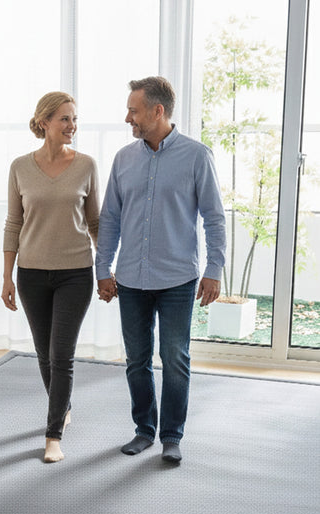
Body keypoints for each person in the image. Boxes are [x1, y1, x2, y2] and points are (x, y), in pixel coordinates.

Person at [96, 76, 226, 463]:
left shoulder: (197, 156)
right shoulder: (123, 159)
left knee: (175, 358)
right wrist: (103, 267)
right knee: (136, 359)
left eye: (133, 111)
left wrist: (214, 268)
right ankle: (143, 430)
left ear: (157, 111)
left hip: (177, 280)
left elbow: (214, 219)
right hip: (132, 279)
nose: (127, 118)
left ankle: (172, 435)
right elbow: (111, 219)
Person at [1, 91, 99, 463]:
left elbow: (95, 222)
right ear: (44, 122)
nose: (72, 126)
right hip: (31, 274)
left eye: (74, 119)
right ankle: (63, 405)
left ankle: (53, 434)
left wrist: (105, 268)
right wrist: (7, 277)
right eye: (64, 119)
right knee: (44, 353)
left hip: (75, 272)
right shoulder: (20, 167)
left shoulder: (87, 165)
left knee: (62, 354)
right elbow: (13, 223)